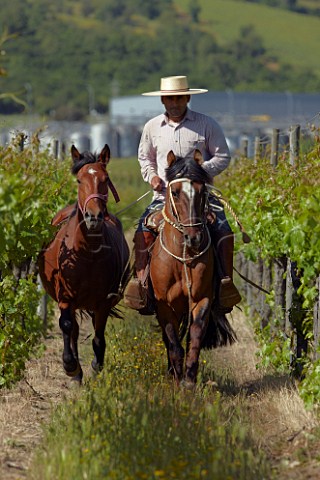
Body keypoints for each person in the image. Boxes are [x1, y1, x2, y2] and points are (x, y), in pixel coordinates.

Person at [124, 75, 241, 314]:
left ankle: (224, 284)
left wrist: (197, 173)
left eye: (178, 97)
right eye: (169, 98)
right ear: (163, 100)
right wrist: (153, 177)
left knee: (224, 230)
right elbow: (144, 158)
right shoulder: (152, 127)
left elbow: (223, 156)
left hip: (200, 197)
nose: (173, 102)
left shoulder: (207, 124)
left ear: (187, 98)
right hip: (164, 197)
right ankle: (142, 284)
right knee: (142, 232)